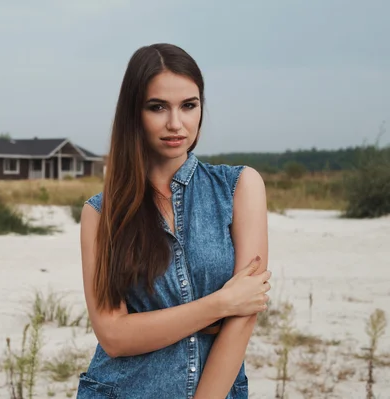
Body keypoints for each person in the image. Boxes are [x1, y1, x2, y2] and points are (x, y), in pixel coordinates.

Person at [77, 43, 271, 399]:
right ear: (133, 114)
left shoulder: (239, 187)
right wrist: (221, 303)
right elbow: (114, 336)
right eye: (157, 107)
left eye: (188, 105)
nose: (175, 123)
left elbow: (247, 313)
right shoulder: (101, 214)